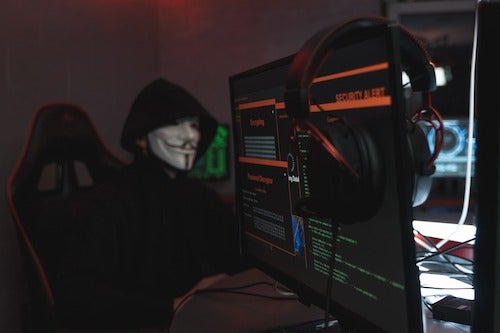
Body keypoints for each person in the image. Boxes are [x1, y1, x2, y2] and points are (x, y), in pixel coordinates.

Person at [53, 78, 243, 330]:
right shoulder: (106, 204)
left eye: (194, 125)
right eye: (176, 124)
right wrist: (174, 305)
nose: (190, 136)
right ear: (140, 139)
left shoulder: (203, 199)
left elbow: (237, 260)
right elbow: (76, 295)